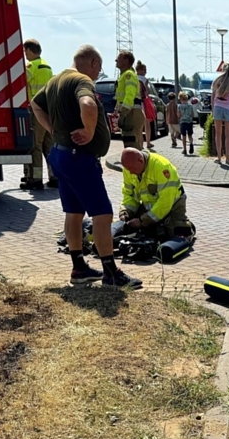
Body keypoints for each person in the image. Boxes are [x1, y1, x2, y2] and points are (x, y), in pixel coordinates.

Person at [31, 44, 141, 289]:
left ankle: (79, 268)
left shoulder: (55, 80)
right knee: (102, 214)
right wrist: (90, 132)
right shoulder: (82, 80)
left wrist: (53, 129)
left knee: (74, 213)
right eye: (98, 70)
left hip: (60, 154)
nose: (97, 75)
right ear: (93, 63)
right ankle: (111, 273)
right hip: (78, 158)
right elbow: (88, 105)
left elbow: (36, 105)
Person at [119, 148, 195, 240]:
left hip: (173, 206)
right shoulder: (128, 169)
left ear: (141, 161)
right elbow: (129, 195)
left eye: (132, 169)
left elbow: (165, 202)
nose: (130, 172)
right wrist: (126, 212)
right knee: (132, 228)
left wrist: (143, 220)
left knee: (176, 235)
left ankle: (186, 225)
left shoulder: (162, 168)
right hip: (149, 207)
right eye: (127, 169)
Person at [22, 38, 55, 190]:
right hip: (49, 110)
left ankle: (35, 179)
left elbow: (22, 84)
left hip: (36, 110)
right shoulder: (47, 66)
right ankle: (54, 176)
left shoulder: (30, 66)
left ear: (29, 50)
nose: (25, 54)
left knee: (36, 145)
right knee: (49, 145)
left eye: (25, 51)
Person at [114, 51, 144, 150]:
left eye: (119, 58)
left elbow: (129, 96)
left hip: (131, 114)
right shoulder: (124, 75)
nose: (116, 60)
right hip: (130, 114)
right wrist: (117, 110)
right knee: (131, 146)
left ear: (126, 61)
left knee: (132, 147)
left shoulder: (128, 75)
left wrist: (122, 114)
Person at [136, 62, 156, 150]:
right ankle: (148, 142)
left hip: (136, 102)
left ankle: (140, 143)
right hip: (143, 102)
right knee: (147, 123)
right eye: (145, 70)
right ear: (142, 70)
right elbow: (146, 92)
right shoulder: (145, 79)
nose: (146, 72)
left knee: (139, 124)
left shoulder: (134, 78)